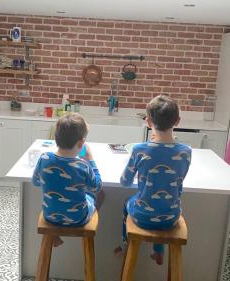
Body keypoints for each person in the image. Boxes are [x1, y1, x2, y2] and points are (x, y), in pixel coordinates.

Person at [115, 95, 191, 265]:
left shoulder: (140, 150)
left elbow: (125, 182)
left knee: (127, 201)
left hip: (143, 216)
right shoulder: (186, 152)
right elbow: (177, 179)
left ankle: (125, 245)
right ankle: (158, 250)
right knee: (160, 203)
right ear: (177, 121)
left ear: (148, 122)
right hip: (171, 217)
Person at [32, 112, 103, 247]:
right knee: (98, 195)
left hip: (50, 216)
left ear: (56, 137)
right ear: (81, 143)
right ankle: (91, 219)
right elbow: (97, 187)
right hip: (78, 218)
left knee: (59, 197)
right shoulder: (83, 165)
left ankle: (55, 234)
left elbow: (35, 182)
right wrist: (91, 160)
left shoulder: (44, 158)